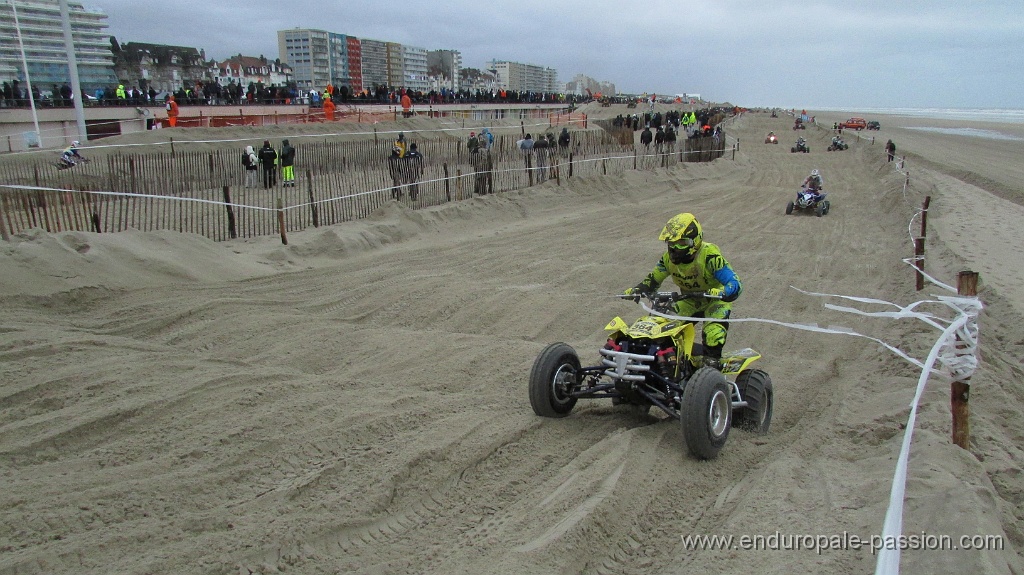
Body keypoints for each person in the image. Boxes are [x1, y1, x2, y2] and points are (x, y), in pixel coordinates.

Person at [623, 213, 742, 370]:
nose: (674, 248)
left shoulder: (709, 256)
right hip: (689, 300)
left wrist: (725, 292)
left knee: (714, 334)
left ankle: (712, 368)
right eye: (671, 243)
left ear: (695, 241)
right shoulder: (667, 259)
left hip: (714, 300)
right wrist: (639, 290)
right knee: (662, 325)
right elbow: (653, 279)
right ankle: (669, 363)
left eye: (681, 243)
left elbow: (734, 282)